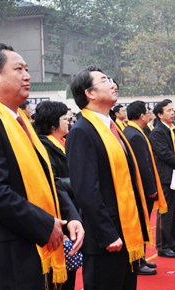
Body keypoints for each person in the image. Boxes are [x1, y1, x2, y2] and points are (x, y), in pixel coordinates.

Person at [0, 43, 84, 289]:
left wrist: (70, 217)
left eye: (27, 69)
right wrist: (45, 224)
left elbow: (46, 179)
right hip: (11, 255)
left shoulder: (20, 122)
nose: (27, 76)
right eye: (19, 69)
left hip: (36, 247)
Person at [67, 66, 152, 290]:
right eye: (105, 81)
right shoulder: (82, 131)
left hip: (127, 232)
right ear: (90, 93)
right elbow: (86, 190)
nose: (113, 84)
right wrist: (107, 234)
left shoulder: (113, 128)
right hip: (107, 239)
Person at [34, 100, 80, 290]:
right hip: (59, 213)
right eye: (64, 119)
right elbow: (54, 181)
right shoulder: (44, 146)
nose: (69, 122)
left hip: (72, 208)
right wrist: (79, 182)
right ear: (53, 124)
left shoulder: (64, 142)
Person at [123, 100, 168, 276]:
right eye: (148, 112)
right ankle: (138, 260)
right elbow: (143, 166)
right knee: (141, 223)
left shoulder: (132, 131)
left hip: (138, 188)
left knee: (142, 223)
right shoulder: (134, 135)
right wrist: (151, 189)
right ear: (142, 116)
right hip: (141, 189)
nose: (149, 115)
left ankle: (140, 257)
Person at [150, 99, 175, 258]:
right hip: (166, 176)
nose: (173, 113)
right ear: (159, 114)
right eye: (169, 110)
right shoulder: (158, 131)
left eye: (173, 110)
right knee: (165, 211)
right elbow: (165, 154)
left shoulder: (173, 129)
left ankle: (173, 243)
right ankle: (162, 246)